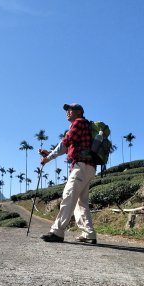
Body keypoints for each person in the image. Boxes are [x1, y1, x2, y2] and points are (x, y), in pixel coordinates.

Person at [39, 103, 98, 244]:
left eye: (70, 110)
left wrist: (48, 158)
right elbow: (67, 148)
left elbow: (65, 142)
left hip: (81, 166)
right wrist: (50, 153)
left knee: (68, 195)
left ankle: (57, 232)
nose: (67, 112)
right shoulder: (85, 125)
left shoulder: (78, 123)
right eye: (67, 110)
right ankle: (89, 233)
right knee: (80, 202)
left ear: (79, 112)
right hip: (88, 167)